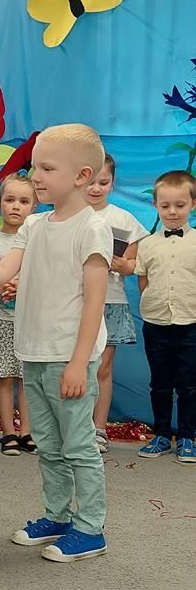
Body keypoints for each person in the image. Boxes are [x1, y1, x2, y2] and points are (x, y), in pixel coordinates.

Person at [0, 124, 112, 563]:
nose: (35, 176)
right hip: (33, 355)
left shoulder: (92, 228)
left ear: (81, 176)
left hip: (68, 358)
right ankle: (58, 515)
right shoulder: (35, 225)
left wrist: (79, 361)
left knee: (78, 446)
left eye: (46, 168)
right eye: (34, 166)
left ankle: (90, 527)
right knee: (50, 446)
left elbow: (94, 300)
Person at [85, 153, 149, 453]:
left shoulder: (124, 219)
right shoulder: (70, 214)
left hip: (111, 301)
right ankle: (75, 426)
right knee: (74, 365)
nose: (96, 188)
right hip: (76, 301)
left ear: (112, 183)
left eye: (103, 182)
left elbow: (133, 264)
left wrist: (122, 264)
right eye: (91, 182)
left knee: (103, 367)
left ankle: (98, 428)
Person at [134, 170, 196, 462]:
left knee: (189, 384)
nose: (172, 211)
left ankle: (187, 437)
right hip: (156, 323)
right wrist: (152, 301)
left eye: (179, 205)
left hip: (191, 323)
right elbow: (143, 278)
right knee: (159, 383)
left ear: (192, 204)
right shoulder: (147, 244)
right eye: (165, 205)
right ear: (155, 205)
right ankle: (161, 434)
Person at [0, 174, 38, 455]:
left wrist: (23, 288)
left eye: (24, 201)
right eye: (10, 200)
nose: (16, 206)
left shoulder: (37, 240)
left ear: (34, 207)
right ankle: (8, 432)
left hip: (31, 321)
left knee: (28, 377)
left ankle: (27, 430)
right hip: (2, 319)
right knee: (4, 377)